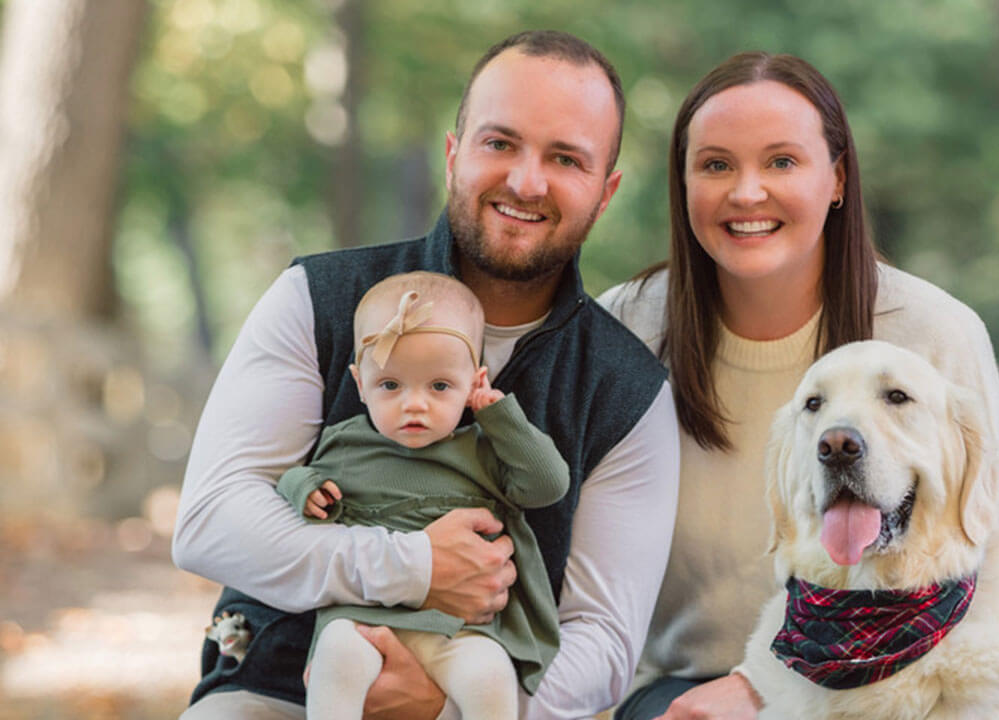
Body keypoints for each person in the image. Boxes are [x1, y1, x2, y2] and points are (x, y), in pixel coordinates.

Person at [173, 30, 680, 720]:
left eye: (565, 158)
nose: (526, 181)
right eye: (499, 143)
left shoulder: (627, 389)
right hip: (281, 690)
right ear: (453, 155)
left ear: (605, 192)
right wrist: (413, 567)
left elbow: (606, 643)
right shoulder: (318, 297)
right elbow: (211, 521)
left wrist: (441, 705)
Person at [598, 52, 999, 719]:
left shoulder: (935, 334)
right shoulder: (623, 329)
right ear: (682, 185)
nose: (746, 192)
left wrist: (765, 685)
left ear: (838, 178)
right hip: (681, 697)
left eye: (781, 162)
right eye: (715, 165)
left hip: (895, 687)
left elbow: (986, 565)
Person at [278, 271, 570, 720]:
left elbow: (549, 485)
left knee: (491, 676)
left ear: (474, 381)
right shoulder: (345, 444)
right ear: (359, 383)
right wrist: (304, 489)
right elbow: (295, 478)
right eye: (390, 385)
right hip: (363, 620)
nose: (414, 404)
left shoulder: (483, 452)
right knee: (335, 659)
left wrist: (499, 416)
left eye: (439, 387)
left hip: (460, 630)